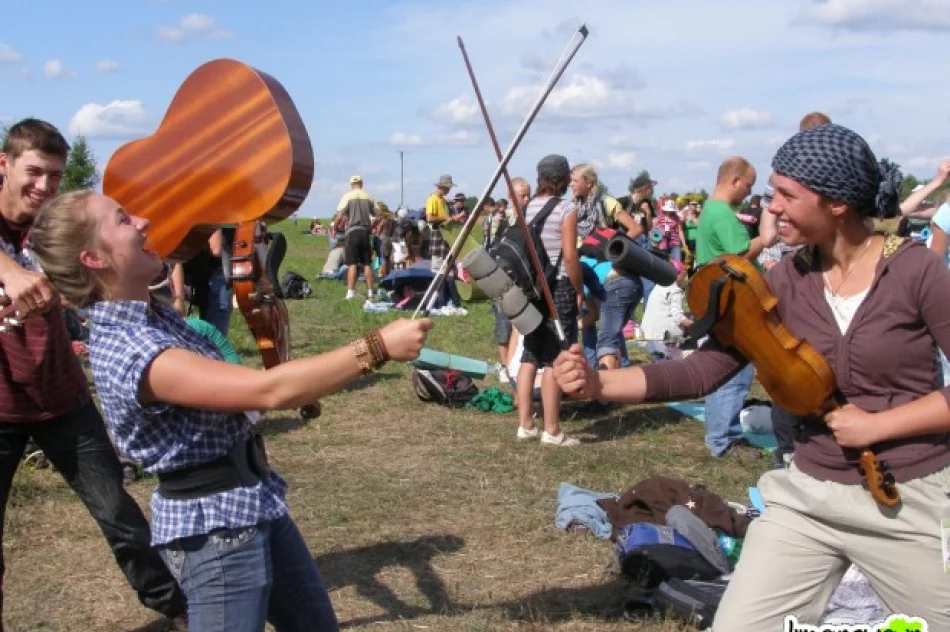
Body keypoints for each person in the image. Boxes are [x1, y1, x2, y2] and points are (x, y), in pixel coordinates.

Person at [553, 123, 950, 630]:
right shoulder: (782, 281)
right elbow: (704, 370)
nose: (773, 208)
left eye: (787, 195)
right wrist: (599, 384)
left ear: (837, 203)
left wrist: (878, 427)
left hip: (908, 498)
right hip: (808, 497)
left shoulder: (916, 272)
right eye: (771, 193)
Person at [29, 190, 434, 632]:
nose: (144, 222)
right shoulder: (132, 349)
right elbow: (269, 391)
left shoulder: (151, 315)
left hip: (252, 500)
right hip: (214, 533)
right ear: (93, 259)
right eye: (124, 220)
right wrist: (377, 347)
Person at [0, 119, 187, 627]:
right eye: (34, 172)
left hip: (63, 400)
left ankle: (179, 609)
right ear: (5, 165)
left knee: (121, 518)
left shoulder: (53, 228)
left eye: (56, 177)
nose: (44, 187)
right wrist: (10, 271)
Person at [694, 156, 766, 458]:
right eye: (748, 185)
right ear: (734, 181)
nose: (749, 193)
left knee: (721, 368)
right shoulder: (724, 214)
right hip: (732, 302)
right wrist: (768, 237)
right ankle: (724, 440)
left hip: (715, 299)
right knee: (734, 371)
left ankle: (719, 434)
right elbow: (740, 253)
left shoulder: (710, 208)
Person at [515, 155, 583, 447]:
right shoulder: (566, 208)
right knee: (558, 356)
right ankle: (552, 430)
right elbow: (569, 255)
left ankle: (526, 423)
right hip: (558, 287)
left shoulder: (528, 207)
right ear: (564, 178)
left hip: (531, 289)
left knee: (530, 355)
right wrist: (579, 288)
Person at [335, 175, 376, 300]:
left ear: (351, 184)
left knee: (352, 263)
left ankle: (350, 292)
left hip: (352, 231)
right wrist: (372, 226)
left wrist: (334, 228)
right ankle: (370, 291)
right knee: (367, 263)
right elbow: (377, 214)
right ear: (361, 183)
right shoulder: (368, 197)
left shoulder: (347, 196)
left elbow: (340, 215)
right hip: (365, 231)